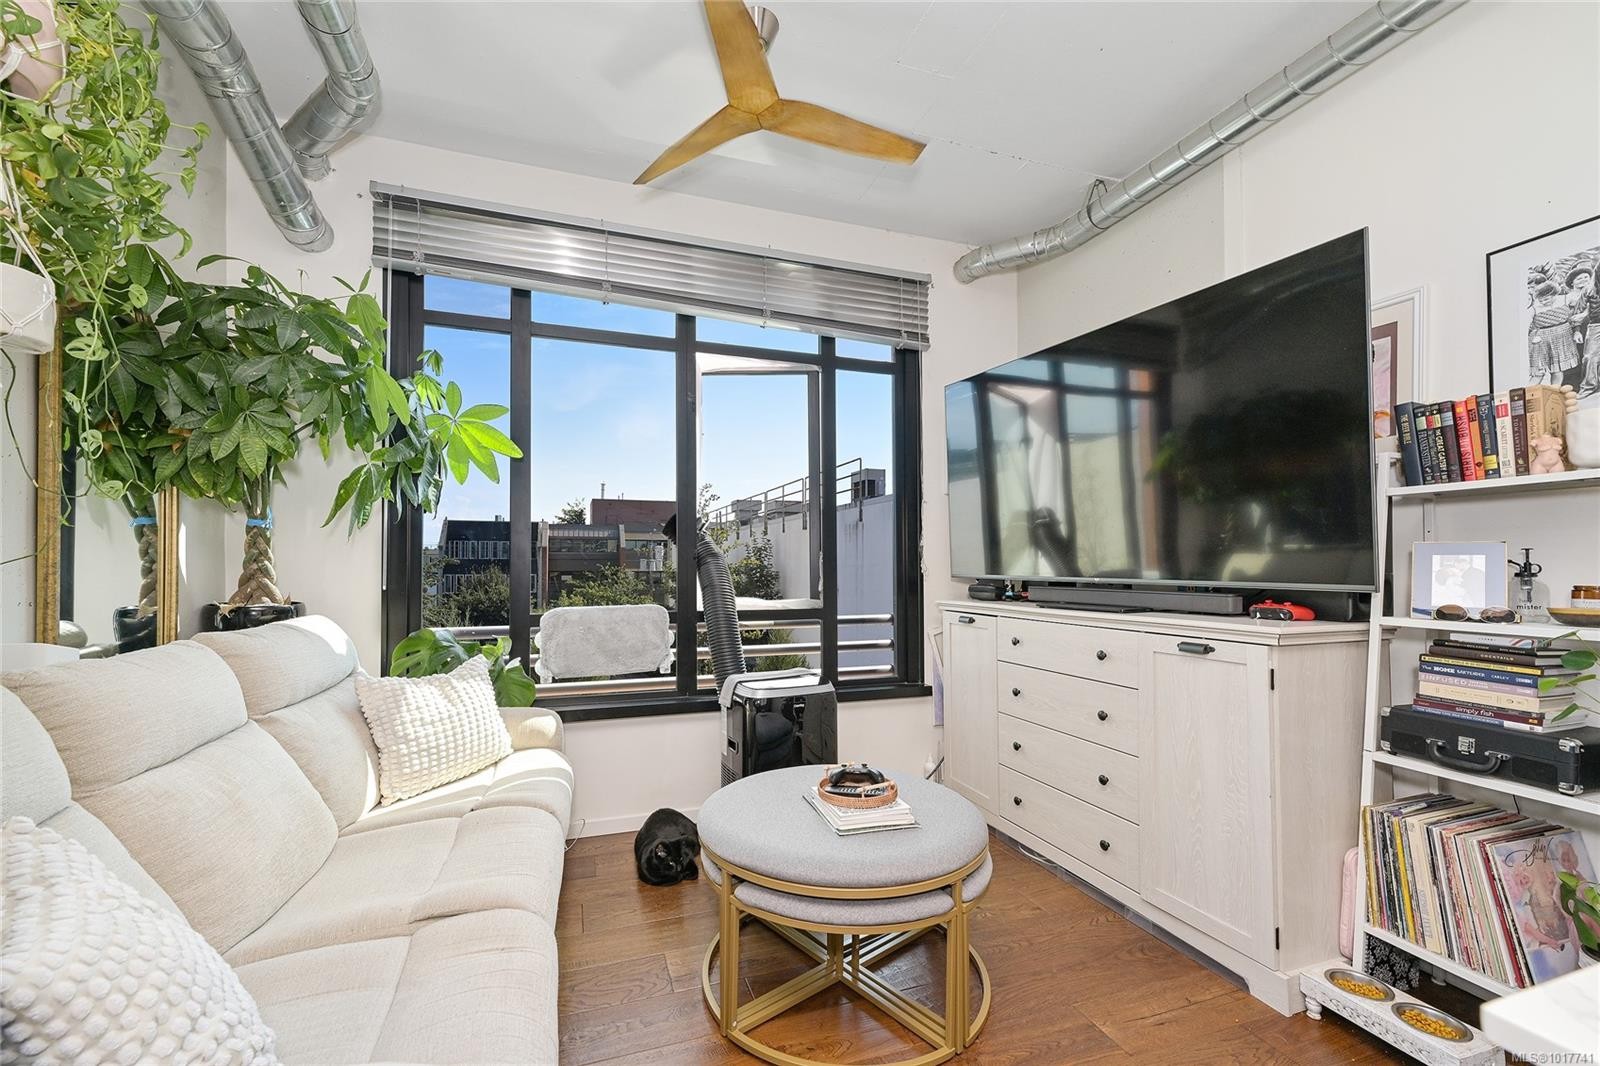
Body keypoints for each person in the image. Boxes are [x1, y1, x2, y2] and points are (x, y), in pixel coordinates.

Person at [1528, 278, 1582, 387]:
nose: (1543, 302)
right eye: (1540, 299)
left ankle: (1553, 395)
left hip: (1562, 339)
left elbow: (1579, 311)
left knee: (1557, 370)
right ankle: (1526, 397)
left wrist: (1577, 331)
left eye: (1546, 299)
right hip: (1541, 341)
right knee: (1538, 372)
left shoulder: (1566, 299)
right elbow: (1525, 326)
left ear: (1554, 294)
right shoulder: (1534, 308)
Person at [1566, 260, 1600, 395]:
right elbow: (1577, 312)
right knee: (1589, 356)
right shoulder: (1589, 289)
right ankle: (1588, 387)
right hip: (1595, 325)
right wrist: (1577, 330)